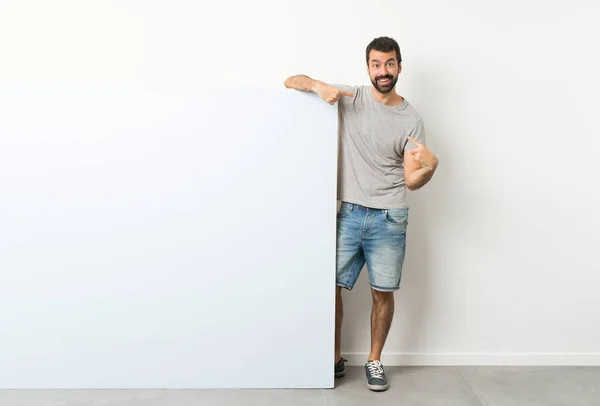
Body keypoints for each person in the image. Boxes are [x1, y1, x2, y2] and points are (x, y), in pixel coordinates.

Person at [283, 36, 439, 392]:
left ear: (399, 66)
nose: (383, 71)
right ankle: (334, 358)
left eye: (389, 64)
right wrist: (318, 85)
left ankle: (374, 361)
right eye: (376, 64)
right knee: (329, 286)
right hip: (349, 213)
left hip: (390, 217)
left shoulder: (411, 119)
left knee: (382, 292)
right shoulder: (350, 98)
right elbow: (290, 81)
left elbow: (411, 181)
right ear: (367, 67)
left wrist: (429, 169)